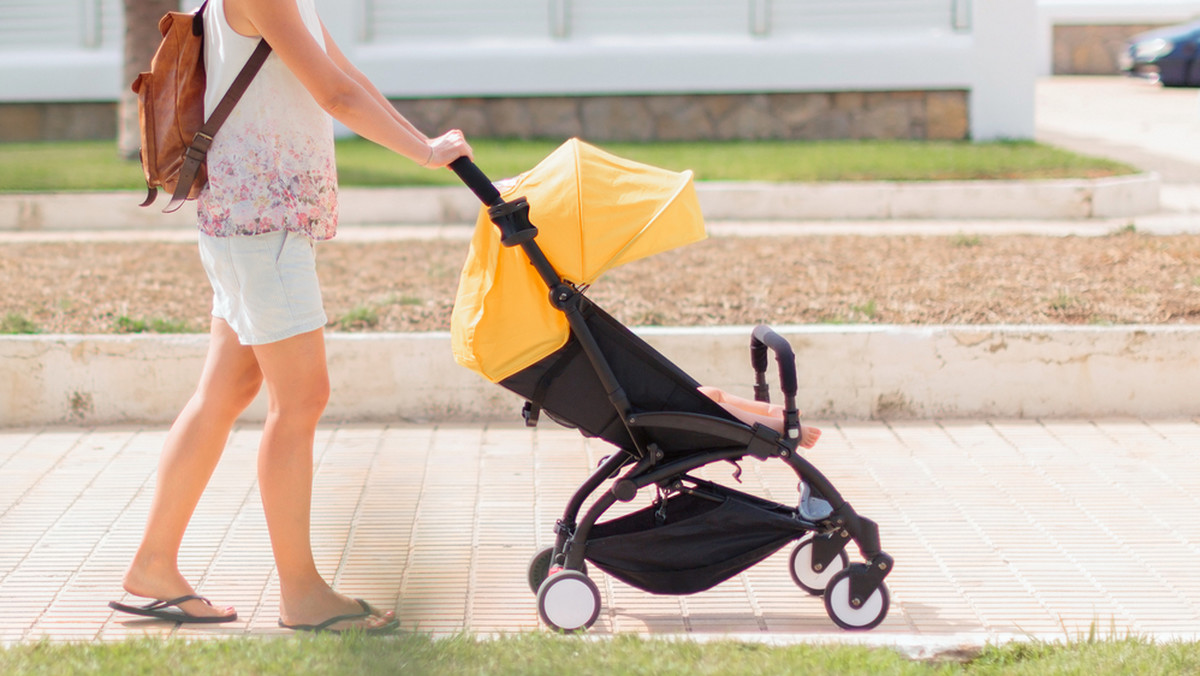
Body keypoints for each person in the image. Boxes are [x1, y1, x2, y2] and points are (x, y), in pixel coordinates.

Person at [108, 0, 473, 634]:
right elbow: (333, 94)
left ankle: (153, 563)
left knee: (224, 392)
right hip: (261, 224)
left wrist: (429, 142)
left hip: (246, 219)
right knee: (301, 398)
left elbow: (348, 75)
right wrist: (423, 152)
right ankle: (301, 593)